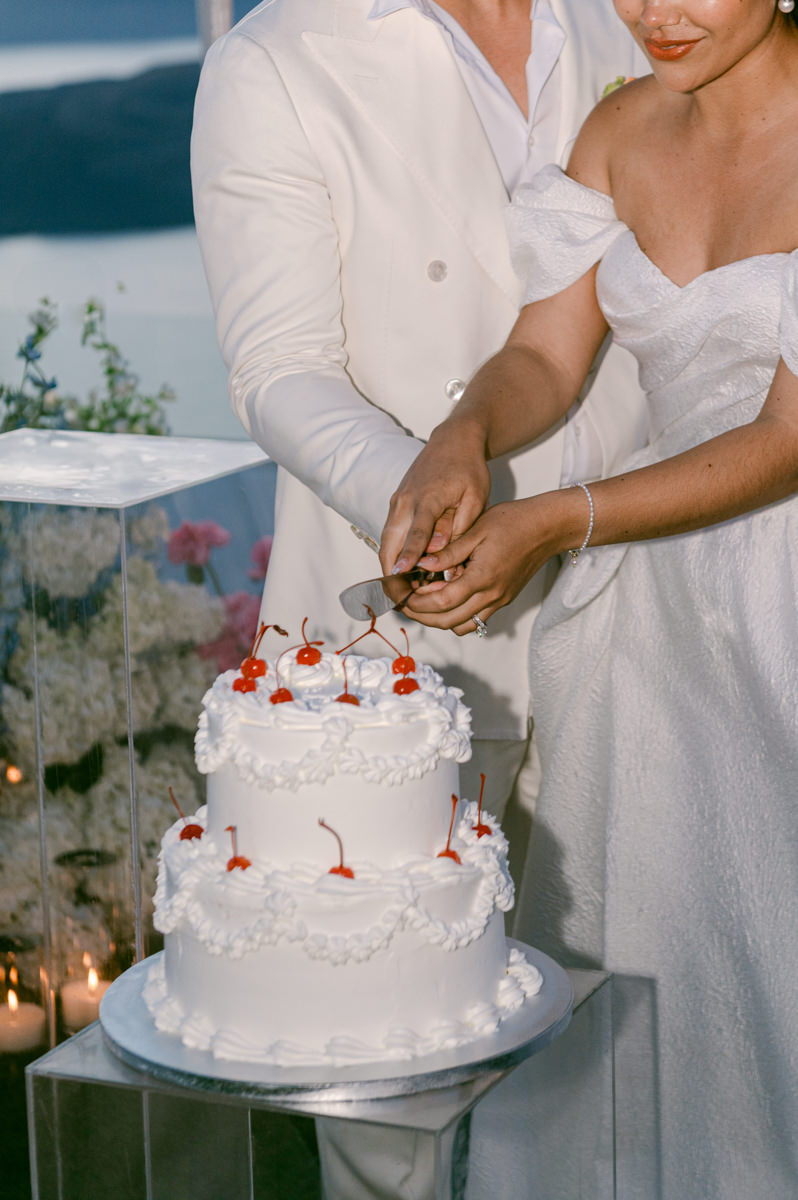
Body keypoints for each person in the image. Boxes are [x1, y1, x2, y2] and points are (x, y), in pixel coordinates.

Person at [380, 0, 798, 1194]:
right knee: (651, 940)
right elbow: (546, 355)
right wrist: (463, 434)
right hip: (651, 625)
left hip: (779, 607)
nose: (655, 15)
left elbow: (786, 440)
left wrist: (558, 519)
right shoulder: (620, 133)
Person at [190, 0, 646, 884]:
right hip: (408, 649)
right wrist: (425, 504)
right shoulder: (273, 58)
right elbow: (280, 366)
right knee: (396, 953)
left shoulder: (646, 13)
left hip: (640, 600)